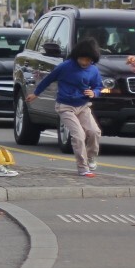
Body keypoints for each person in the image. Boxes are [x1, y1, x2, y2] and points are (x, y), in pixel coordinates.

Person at [25, 37, 103, 176]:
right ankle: (82, 167)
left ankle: (91, 158)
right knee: (78, 135)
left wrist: (94, 92)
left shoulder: (93, 70)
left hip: (83, 106)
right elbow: (48, 79)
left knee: (94, 132)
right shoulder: (65, 67)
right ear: (77, 56)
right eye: (82, 59)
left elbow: (98, 86)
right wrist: (35, 93)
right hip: (65, 106)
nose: (85, 63)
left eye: (89, 60)